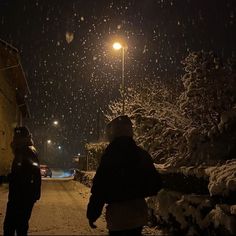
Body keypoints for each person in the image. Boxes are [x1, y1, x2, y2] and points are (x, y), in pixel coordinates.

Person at [87, 115, 162, 236]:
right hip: (138, 213)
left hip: (117, 216)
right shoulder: (141, 154)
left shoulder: (109, 157)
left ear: (113, 133)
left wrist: (92, 214)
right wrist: (137, 190)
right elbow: (156, 184)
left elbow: (99, 189)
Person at [3, 127, 41, 236]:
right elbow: (27, 173)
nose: (14, 139)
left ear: (21, 138)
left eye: (16, 137)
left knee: (11, 227)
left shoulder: (25, 151)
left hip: (21, 197)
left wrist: (8, 178)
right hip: (23, 196)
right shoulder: (26, 150)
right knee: (20, 226)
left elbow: (25, 175)